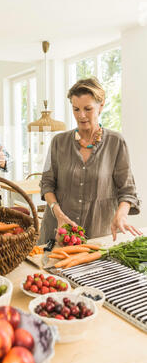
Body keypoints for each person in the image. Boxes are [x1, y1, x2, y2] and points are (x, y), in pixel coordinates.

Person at [39, 77, 142, 244]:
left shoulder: (116, 142)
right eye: (76, 109)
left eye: (88, 109)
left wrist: (121, 215)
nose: (81, 115)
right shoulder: (58, 142)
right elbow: (47, 184)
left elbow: (127, 191)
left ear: (101, 105)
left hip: (97, 236)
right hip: (57, 232)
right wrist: (59, 215)